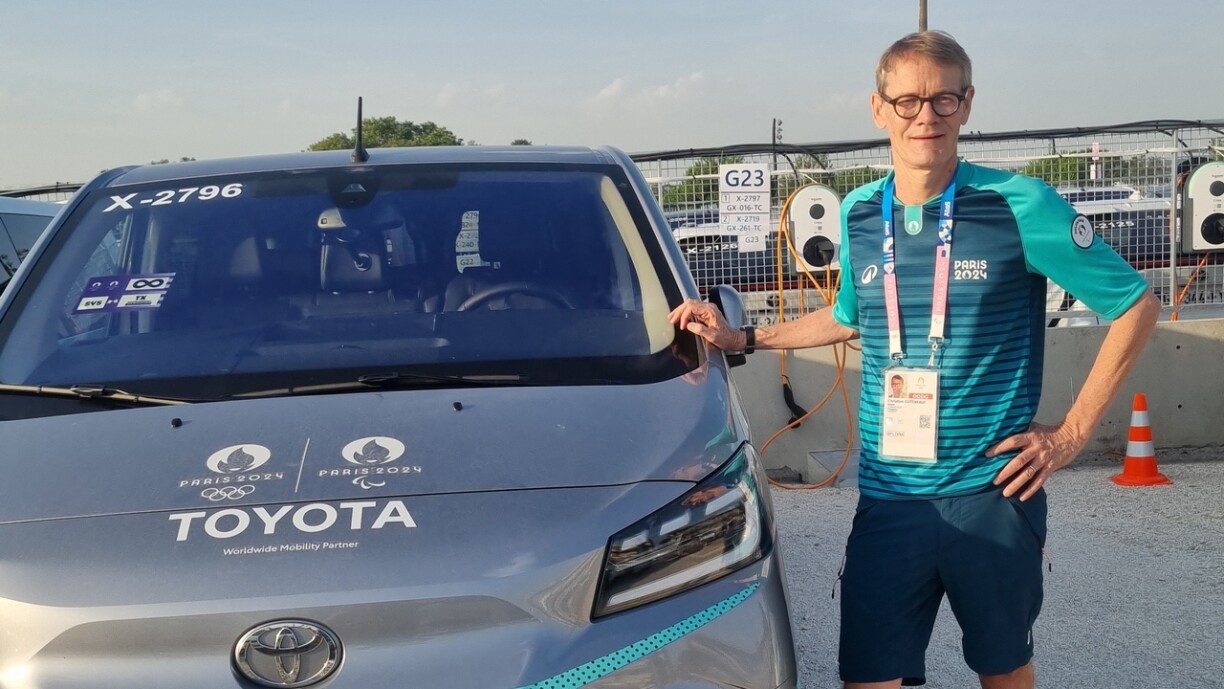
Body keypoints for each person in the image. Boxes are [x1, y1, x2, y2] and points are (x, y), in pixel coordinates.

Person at [669, 30, 1159, 689]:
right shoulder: (859, 211)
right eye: (907, 101)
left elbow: (1135, 303)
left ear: (967, 103)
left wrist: (1072, 433)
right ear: (879, 108)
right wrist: (743, 339)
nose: (925, 115)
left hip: (991, 494)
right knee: (868, 676)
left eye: (943, 99)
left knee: (1003, 670)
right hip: (890, 497)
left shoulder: (1019, 204)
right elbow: (847, 315)